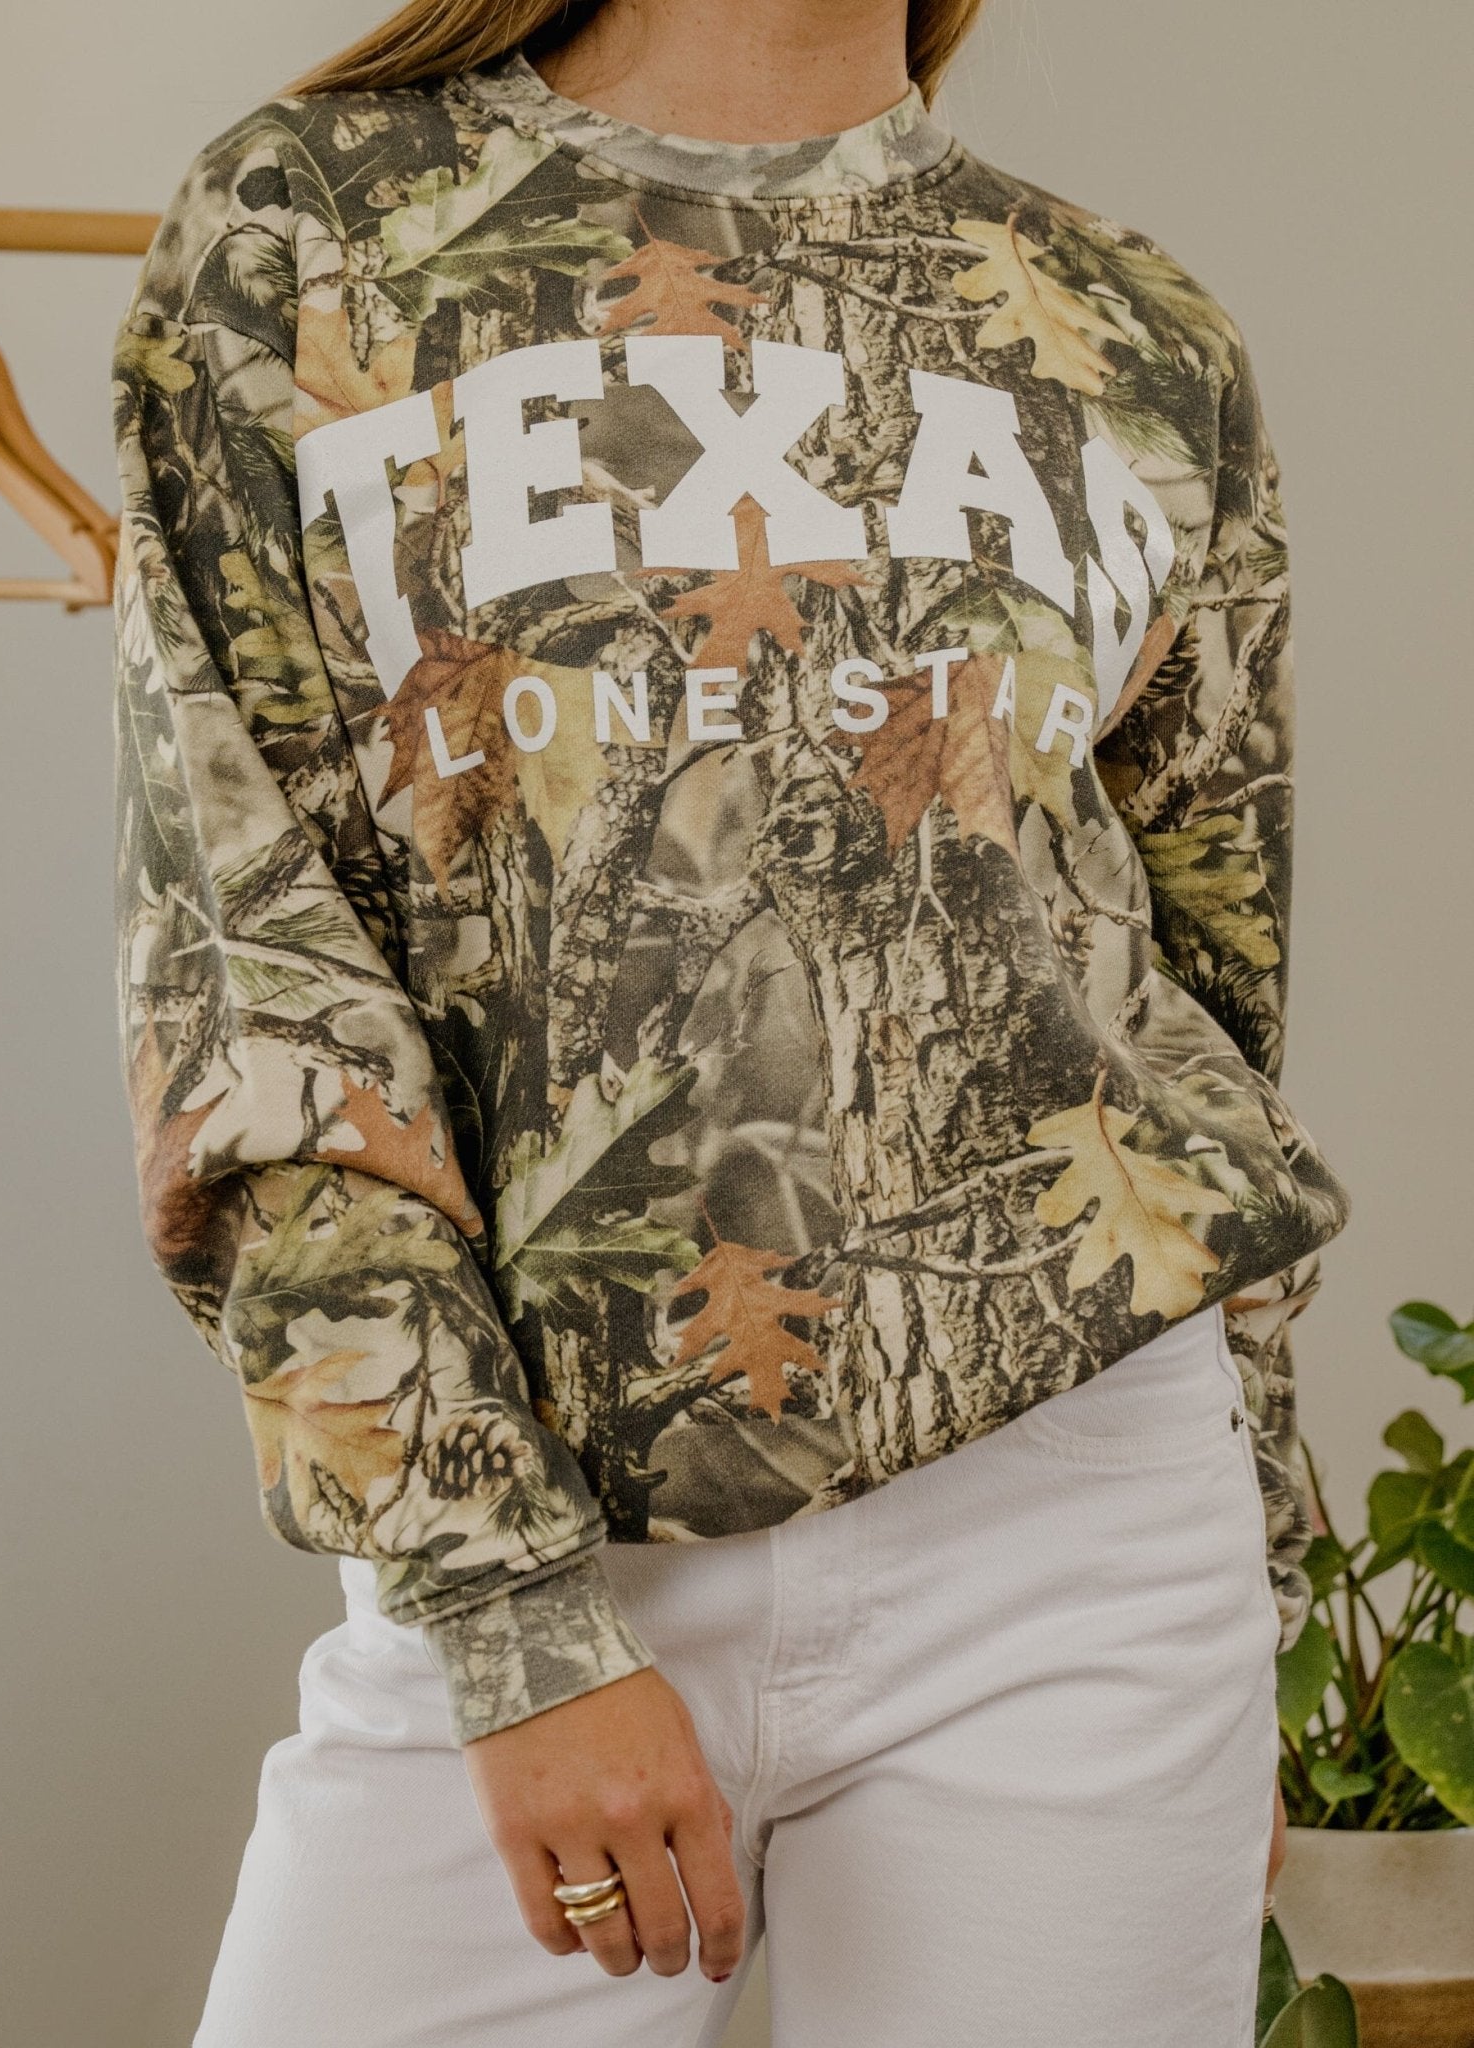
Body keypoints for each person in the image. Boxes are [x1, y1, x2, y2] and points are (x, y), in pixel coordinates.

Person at [109, 0, 1353, 2040]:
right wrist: (509, 1614)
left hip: (1089, 1535)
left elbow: (1207, 998)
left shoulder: (1135, 330)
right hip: (554, 1491)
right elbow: (257, 976)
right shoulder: (309, 225)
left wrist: (1269, 1598)